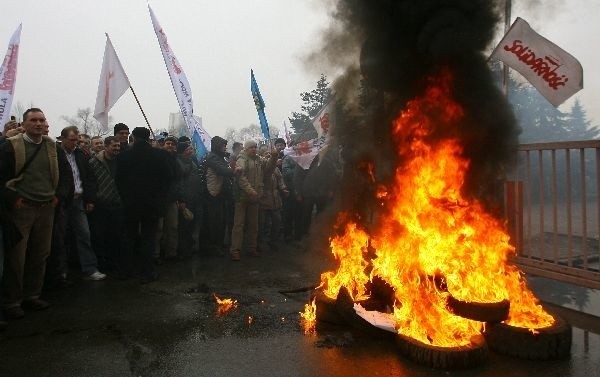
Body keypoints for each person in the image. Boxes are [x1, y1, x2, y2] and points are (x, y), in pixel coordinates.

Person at [0, 108, 69, 319]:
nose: (38, 124)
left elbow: (66, 175)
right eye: (33, 120)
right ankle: (12, 301)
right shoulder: (11, 146)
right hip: (22, 208)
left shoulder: (52, 147)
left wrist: (58, 196)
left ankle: (32, 295)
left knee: (40, 254)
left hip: (46, 207)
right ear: (25, 124)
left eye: (41, 120)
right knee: (17, 258)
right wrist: (13, 199)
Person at [115, 127, 176, 283]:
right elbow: (169, 178)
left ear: (133, 137)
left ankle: (125, 270)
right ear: (148, 137)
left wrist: (125, 197)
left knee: (128, 237)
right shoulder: (160, 155)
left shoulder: (124, 155)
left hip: (130, 203)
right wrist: (160, 198)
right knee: (148, 238)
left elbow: (118, 180)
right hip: (152, 204)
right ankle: (147, 272)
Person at [60, 126, 106, 281]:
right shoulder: (56, 154)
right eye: (73, 140)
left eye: (77, 140)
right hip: (63, 201)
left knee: (84, 234)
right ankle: (61, 270)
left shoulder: (80, 155)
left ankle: (90, 268)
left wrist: (90, 199)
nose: (76, 143)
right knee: (61, 237)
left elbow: (90, 178)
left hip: (79, 200)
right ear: (63, 139)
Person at [230, 140, 277, 260]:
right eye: (251, 147)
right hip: (242, 196)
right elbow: (241, 179)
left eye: (255, 147)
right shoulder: (242, 159)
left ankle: (252, 248)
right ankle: (235, 250)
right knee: (239, 225)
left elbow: (269, 169)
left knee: (253, 225)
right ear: (246, 149)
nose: (254, 149)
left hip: (255, 197)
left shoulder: (259, 159)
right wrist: (251, 191)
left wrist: (274, 156)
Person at [88, 136, 124, 273]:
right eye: (114, 146)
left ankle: (114, 263)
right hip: (100, 204)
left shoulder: (121, 162)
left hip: (117, 203)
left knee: (115, 236)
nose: (116, 149)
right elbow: (90, 182)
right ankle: (101, 264)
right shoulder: (93, 162)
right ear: (106, 146)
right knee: (99, 236)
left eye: (118, 146)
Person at [205, 136, 236, 255]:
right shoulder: (212, 157)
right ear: (218, 146)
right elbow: (222, 170)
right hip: (214, 193)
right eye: (223, 146)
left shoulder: (219, 156)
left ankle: (219, 243)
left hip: (220, 193)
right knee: (216, 221)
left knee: (221, 220)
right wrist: (234, 170)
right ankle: (215, 246)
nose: (225, 148)